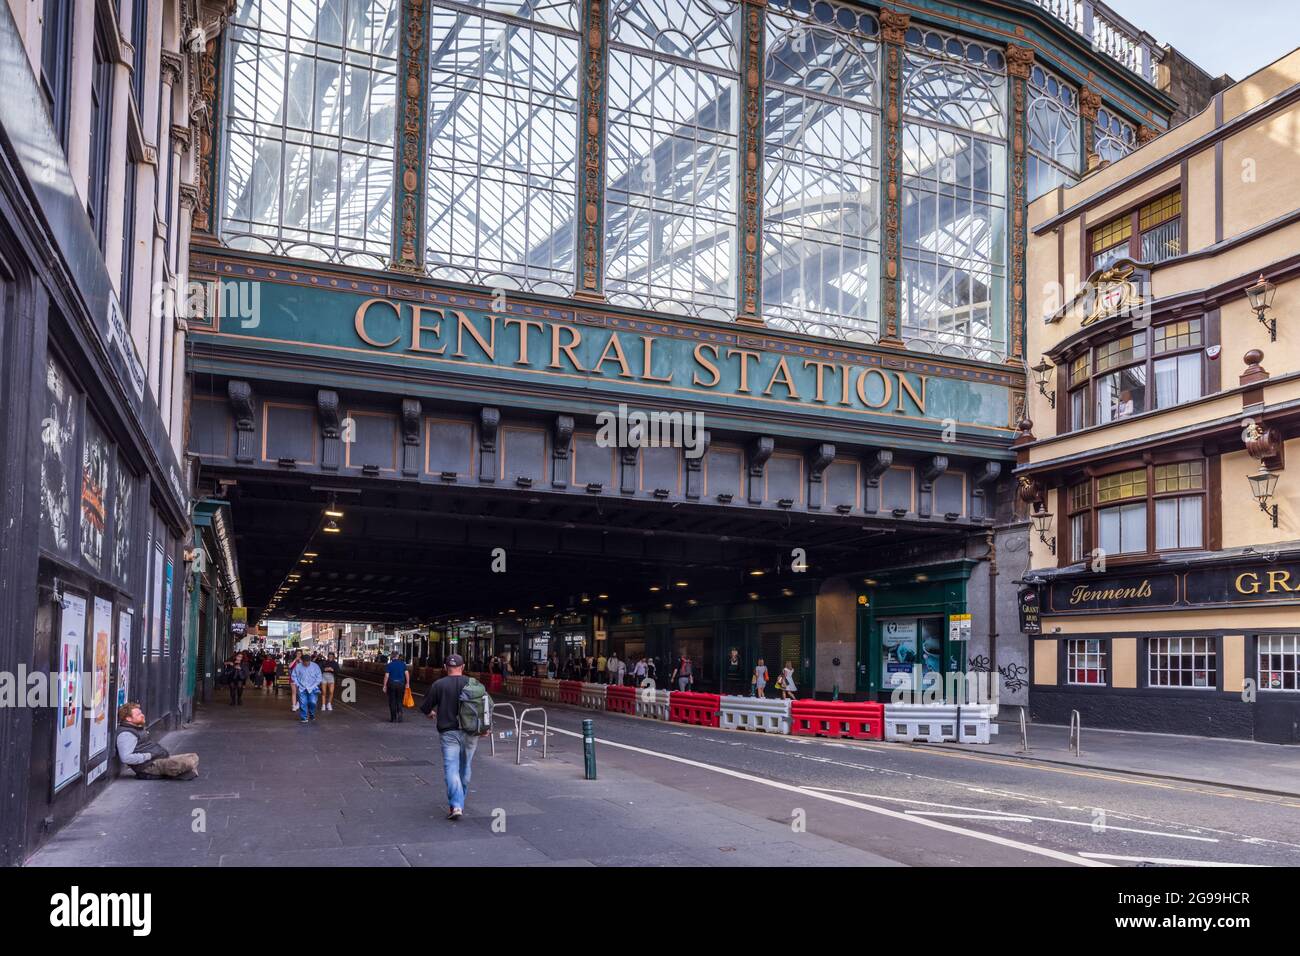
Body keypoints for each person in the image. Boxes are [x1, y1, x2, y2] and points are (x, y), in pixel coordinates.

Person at [419, 654, 478, 820]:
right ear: (463, 667)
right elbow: (485, 708)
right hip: (470, 732)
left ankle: (456, 805)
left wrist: (431, 713)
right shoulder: (473, 684)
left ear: (445, 668)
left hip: (448, 733)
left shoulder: (439, 685)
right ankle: (458, 802)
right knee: (465, 767)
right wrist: (486, 729)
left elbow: (425, 707)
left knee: (451, 768)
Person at [116, 702, 199, 779]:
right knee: (189, 762)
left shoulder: (137, 727)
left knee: (193, 756)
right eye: (138, 714)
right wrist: (149, 755)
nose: (142, 715)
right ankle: (167, 773)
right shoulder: (126, 734)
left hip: (157, 759)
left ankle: (177, 772)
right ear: (128, 718)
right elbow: (126, 758)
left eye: (141, 713)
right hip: (148, 766)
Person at [293, 652, 323, 723]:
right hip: (302, 688)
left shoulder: (315, 666)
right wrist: (298, 684)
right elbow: (294, 676)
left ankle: (311, 714)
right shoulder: (298, 666)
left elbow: (319, 677)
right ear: (302, 661)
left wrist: (314, 685)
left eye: (308, 662)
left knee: (312, 702)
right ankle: (304, 718)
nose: (306, 663)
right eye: (305, 662)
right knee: (303, 703)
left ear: (310, 660)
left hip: (312, 688)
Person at [383, 652, 409, 723]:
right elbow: (407, 674)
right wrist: (407, 683)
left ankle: (393, 718)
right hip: (401, 684)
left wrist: (384, 685)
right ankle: (400, 713)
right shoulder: (403, 664)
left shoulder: (389, 665)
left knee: (392, 701)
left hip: (392, 684)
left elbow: (386, 676)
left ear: (391, 656)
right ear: (397, 656)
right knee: (399, 700)